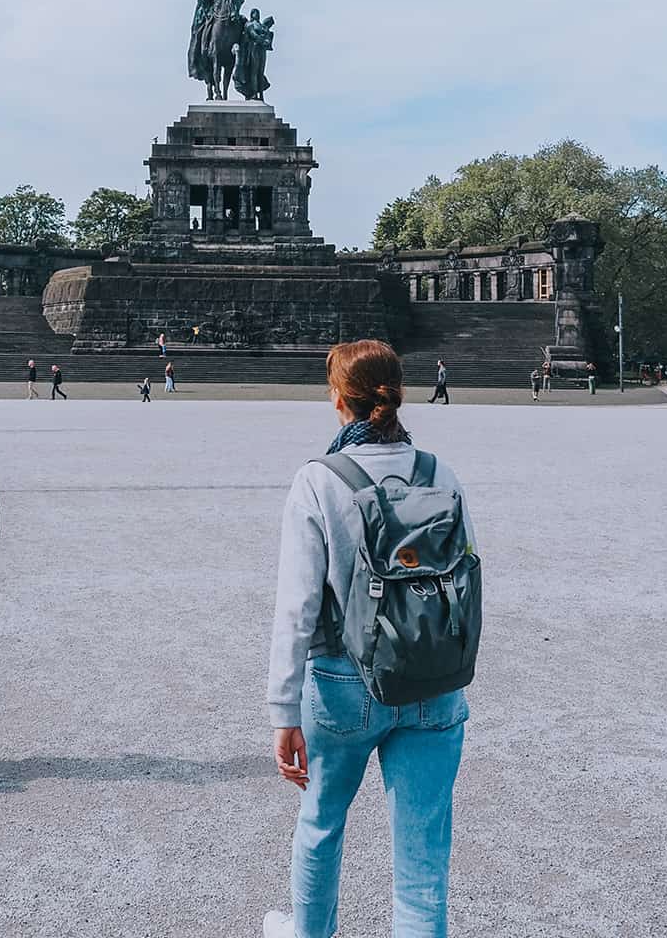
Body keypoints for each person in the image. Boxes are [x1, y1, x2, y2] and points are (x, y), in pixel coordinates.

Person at [264, 340, 473, 938]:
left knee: (321, 824)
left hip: (343, 680)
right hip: (433, 679)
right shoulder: (440, 473)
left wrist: (283, 709)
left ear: (339, 400)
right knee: (423, 856)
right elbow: (466, 573)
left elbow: (297, 606)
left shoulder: (319, 480)